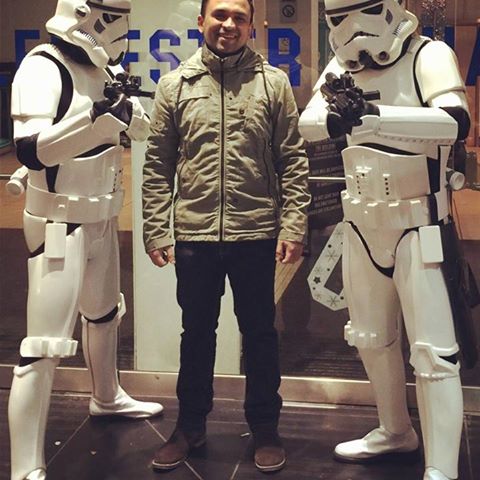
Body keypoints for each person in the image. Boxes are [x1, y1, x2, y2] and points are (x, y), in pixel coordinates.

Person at [299, 1, 474, 479]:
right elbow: (309, 123)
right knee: (371, 339)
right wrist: (336, 120)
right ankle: (395, 430)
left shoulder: (427, 55)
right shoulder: (340, 67)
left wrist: (375, 116)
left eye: (366, 10)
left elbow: (455, 122)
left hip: (419, 224)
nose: (353, 28)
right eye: (340, 17)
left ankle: (441, 467)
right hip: (360, 225)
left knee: (433, 354)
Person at [142, 0, 310, 472]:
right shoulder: (175, 86)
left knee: (260, 334)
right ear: (201, 21)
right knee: (196, 334)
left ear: (251, 26)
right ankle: (190, 426)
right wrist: (156, 228)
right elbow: (157, 165)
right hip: (195, 236)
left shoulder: (273, 83)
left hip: (256, 233)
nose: (228, 25)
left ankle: (265, 427)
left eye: (239, 17)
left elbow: (292, 161)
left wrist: (293, 224)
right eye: (219, 15)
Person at [8, 1, 164, 478]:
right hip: (59, 223)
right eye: (110, 16)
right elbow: (32, 150)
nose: (119, 29)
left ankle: (107, 396)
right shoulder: (42, 66)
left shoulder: (106, 68)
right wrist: (95, 120)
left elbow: (142, 127)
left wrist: (124, 114)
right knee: (44, 343)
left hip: (101, 217)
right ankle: (26, 466)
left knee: (104, 315)